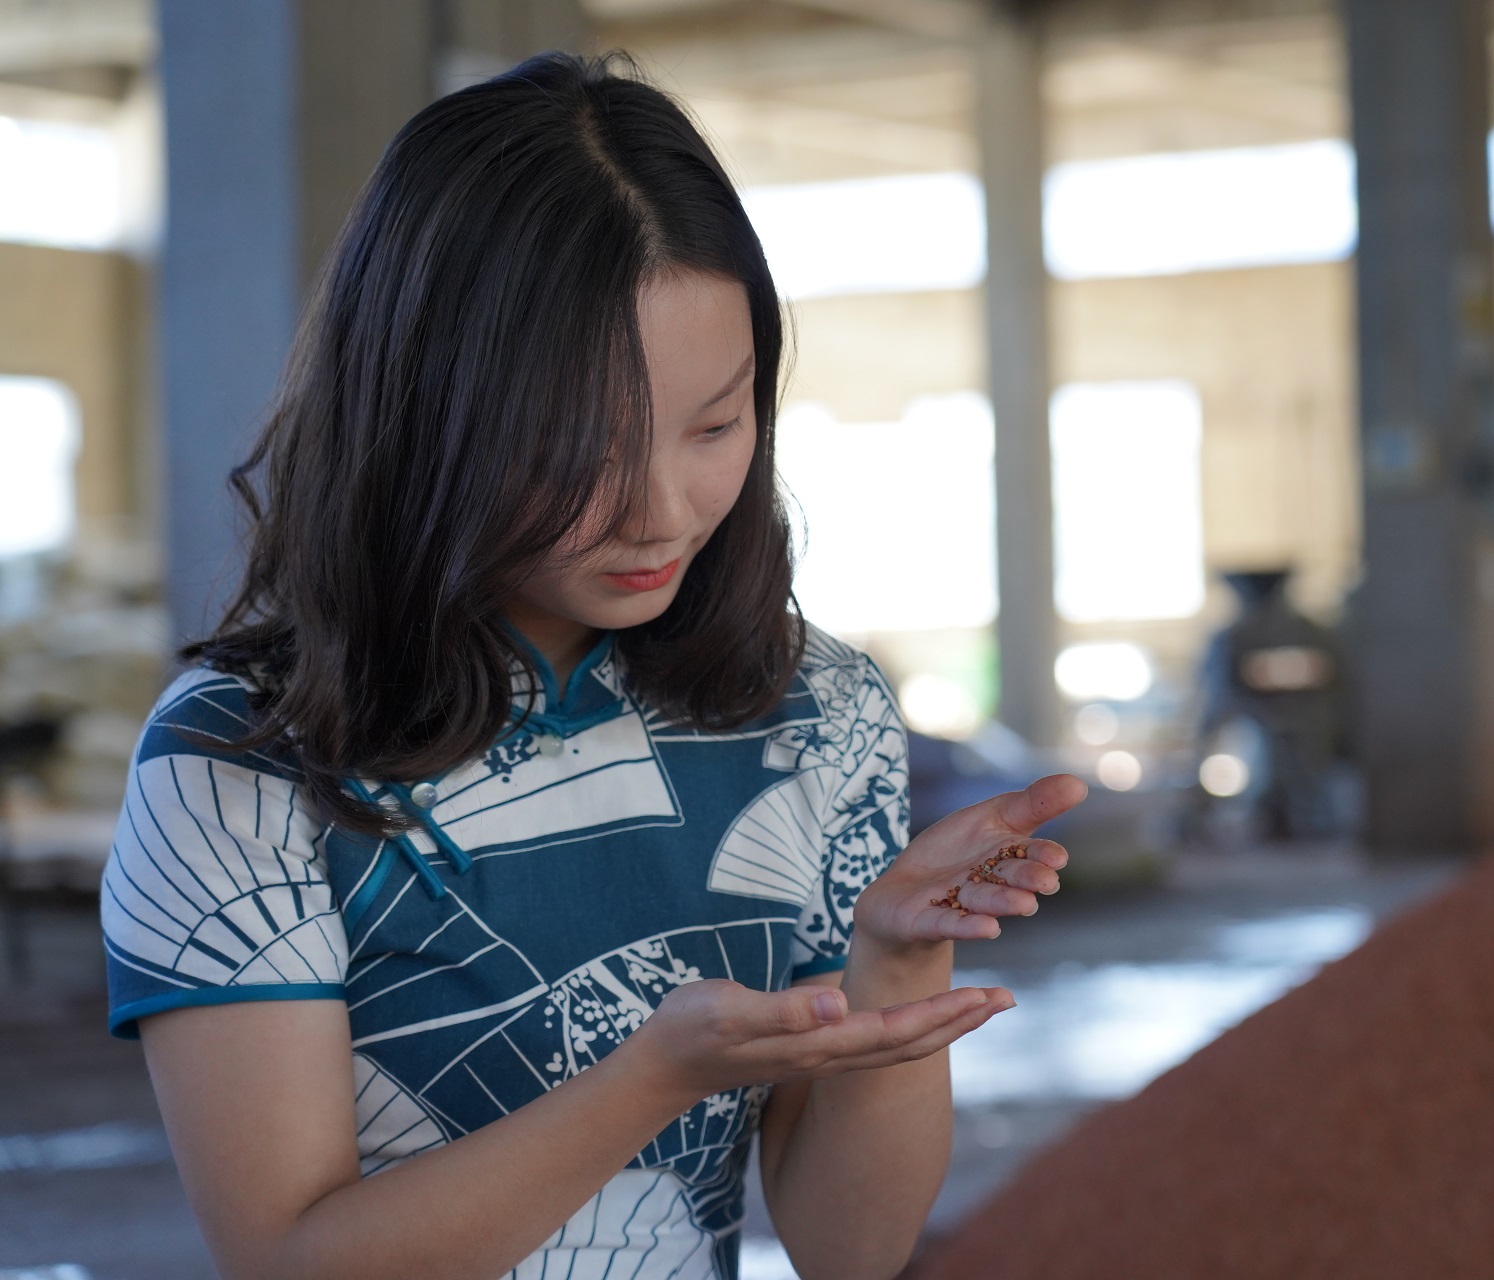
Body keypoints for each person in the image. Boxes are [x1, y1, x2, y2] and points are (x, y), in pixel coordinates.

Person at [100, 52, 1084, 1280]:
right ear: (424, 411)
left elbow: (851, 1247)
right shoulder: (240, 759)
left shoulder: (814, 712)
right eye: (583, 449)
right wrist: (650, 1077)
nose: (665, 509)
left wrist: (894, 966)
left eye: (717, 425)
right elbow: (292, 1255)